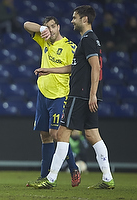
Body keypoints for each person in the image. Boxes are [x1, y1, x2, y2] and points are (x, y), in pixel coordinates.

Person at [34, 5, 115, 189]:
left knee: (61, 133)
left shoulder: (87, 39)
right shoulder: (89, 40)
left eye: (75, 17)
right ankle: (108, 178)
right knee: (92, 135)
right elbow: (76, 67)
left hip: (80, 94)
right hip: (87, 94)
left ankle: (51, 178)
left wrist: (92, 94)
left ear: (84, 19)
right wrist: (49, 70)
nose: (72, 21)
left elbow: (96, 67)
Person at [23, 16, 81, 188]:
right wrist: (41, 29)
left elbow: (73, 67)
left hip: (60, 95)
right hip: (43, 94)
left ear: (58, 27)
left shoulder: (70, 46)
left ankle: (73, 168)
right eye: (47, 27)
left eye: (52, 27)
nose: (50, 30)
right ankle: (44, 177)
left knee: (56, 134)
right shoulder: (45, 40)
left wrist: (49, 70)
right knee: (45, 136)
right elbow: (26, 25)